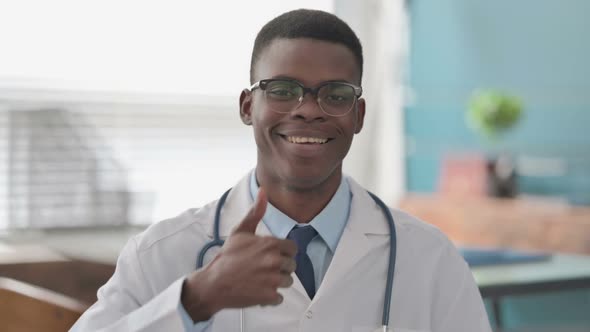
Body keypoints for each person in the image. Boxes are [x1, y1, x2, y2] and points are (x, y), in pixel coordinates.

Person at [71, 9, 492, 332]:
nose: (308, 110)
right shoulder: (161, 254)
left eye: (336, 94)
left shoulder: (430, 259)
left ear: (358, 114)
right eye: (284, 90)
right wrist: (197, 298)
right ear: (247, 106)